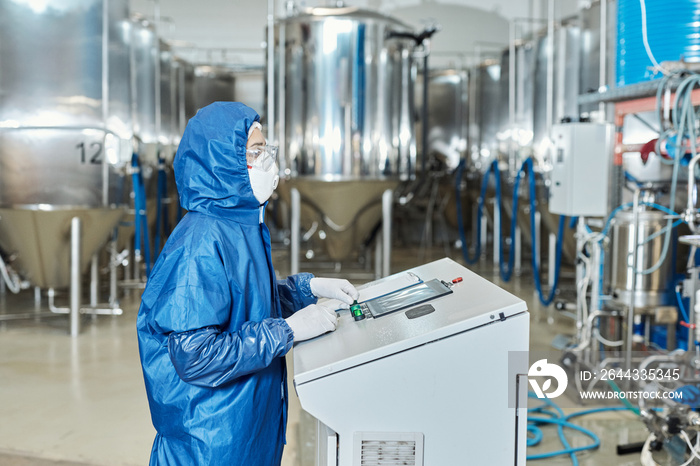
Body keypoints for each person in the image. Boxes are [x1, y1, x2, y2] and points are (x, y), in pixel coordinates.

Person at [136, 101, 359, 465]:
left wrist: (309, 289)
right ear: (222, 162)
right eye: (256, 151)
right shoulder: (199, 243)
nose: (267, 160)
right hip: (210, 440)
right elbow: (195, 355)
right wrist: (285, 331)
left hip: (245, 428)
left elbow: (248, 303)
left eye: (265, 150)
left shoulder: (240, 225)